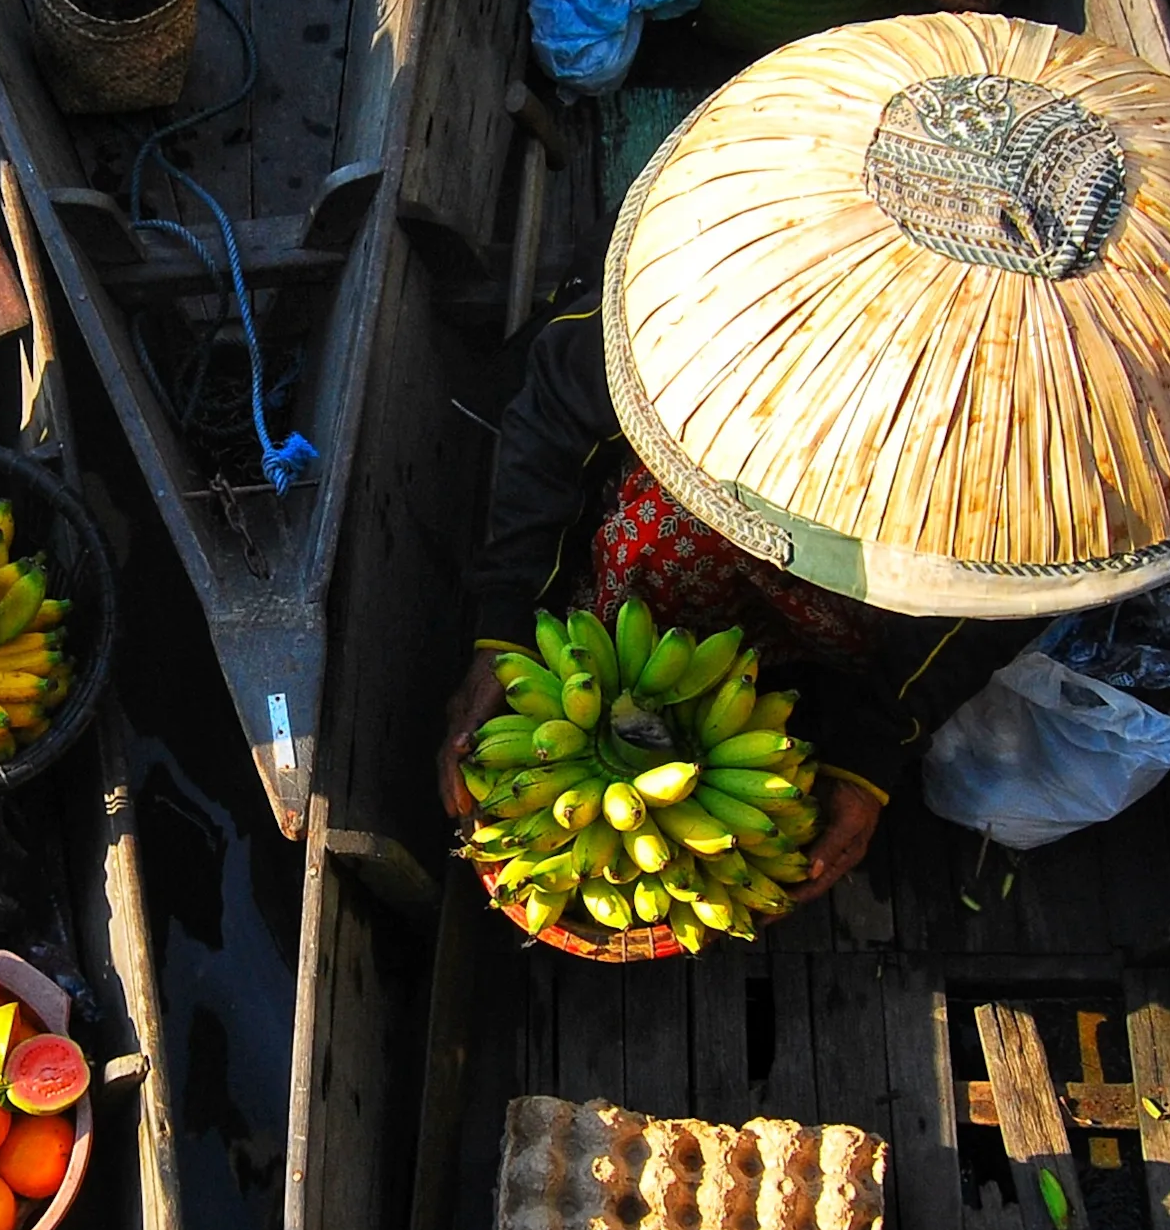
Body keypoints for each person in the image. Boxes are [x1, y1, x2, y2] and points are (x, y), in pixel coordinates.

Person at [437, 298, 1036, 899]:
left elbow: (1000, 601)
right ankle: (634, 658)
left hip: (886, 573)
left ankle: (809, 686)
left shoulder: (1021, 460)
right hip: (713, 493)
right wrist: (506, 619)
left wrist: (873, 753)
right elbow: (557, 402)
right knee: (659, 525)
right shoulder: (719, 300)